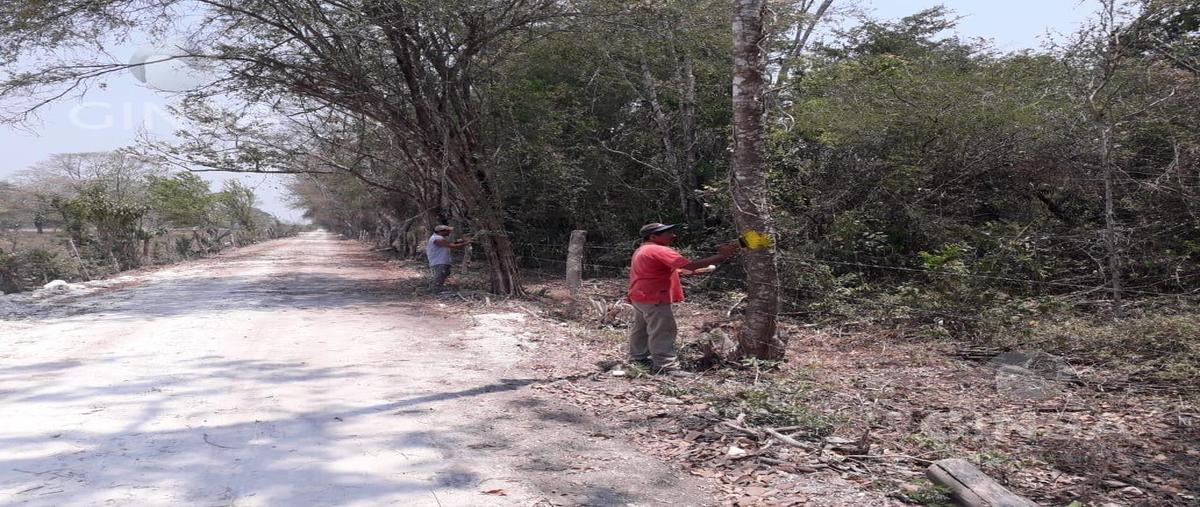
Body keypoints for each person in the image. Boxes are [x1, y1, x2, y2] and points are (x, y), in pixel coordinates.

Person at [628, 223, 740, 375]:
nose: (673, 236)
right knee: (663, 331)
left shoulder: (643, 249)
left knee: (641, 329)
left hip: (640, 296)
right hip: (655, 297)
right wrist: (721, 256)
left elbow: (665, 268)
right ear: (653, 236)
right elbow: (691, 265)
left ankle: (638, 358)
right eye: (667, 233)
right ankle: (666, 366)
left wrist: (688, 271)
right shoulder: (659, 249)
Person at [426, 224, 470, 293]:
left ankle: (433, 290)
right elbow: (454, 246)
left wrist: (460, 243)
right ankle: (435, 292)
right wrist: (467, 242)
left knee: (440, 277)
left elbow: (450, 245)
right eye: (448, 231)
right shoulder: (438, 239)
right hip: (439, 262)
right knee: (439, 278)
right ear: (441, 231)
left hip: (439, 262)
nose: (449, 232)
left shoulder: (437, 238)